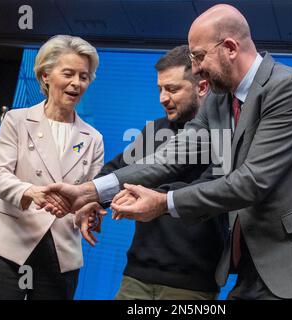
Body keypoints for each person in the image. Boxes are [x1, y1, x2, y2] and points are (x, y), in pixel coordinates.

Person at [43, 4, 292, 300]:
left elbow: (252, 181)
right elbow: (173, 156)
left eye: (198, 57)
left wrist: (163, 203)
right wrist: (91, 191)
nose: (195, 70)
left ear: (230, 48)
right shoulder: (220, 99)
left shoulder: (289, 88)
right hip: (258, 255)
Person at [77, 45, 226, 300]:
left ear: (201, 87)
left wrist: (153, 197)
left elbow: (209, 190)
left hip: (191, 286)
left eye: (172, 89)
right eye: (160, 89)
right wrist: (92, 198)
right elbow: (118, 169)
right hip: (136, 277)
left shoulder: (223, 136)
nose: (162, 98)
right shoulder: (155, 130)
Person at [0, 35, 104, 300]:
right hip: (8, 247)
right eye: (68, 73)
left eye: (84, 76)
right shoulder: (17, 120)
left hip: (61, 255)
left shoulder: (94, 138)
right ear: (45, 75)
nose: (76, 83)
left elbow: (91, 194)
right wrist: (32, 192)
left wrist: (89, 213)